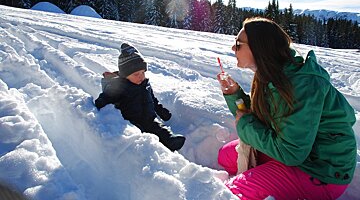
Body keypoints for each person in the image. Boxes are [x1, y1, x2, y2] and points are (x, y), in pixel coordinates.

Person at [216, 17, 356, 200]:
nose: (233, 48)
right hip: (297, 152)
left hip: (322, 170)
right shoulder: (272, 73)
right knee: (225, 156)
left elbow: (291, 153)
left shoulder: (300, 86)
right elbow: (267, 114)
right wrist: (235, 95)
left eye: (238, 43)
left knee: (229, 193)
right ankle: (268, 179)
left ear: (260, 48)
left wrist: (246, 126)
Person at [94, 43, 185, 152]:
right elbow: (107, 97)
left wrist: (161, 111)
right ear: (125, 75)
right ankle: (151, 151)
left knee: (160, 129)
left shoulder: (145, 84)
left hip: (149, 118)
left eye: (143, 72)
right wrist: (101, 102)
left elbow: (153, 100)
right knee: (141, 136)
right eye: (136, 74)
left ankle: (170, 140)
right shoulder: (119, 87)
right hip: (131, 121)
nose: (141, 77)